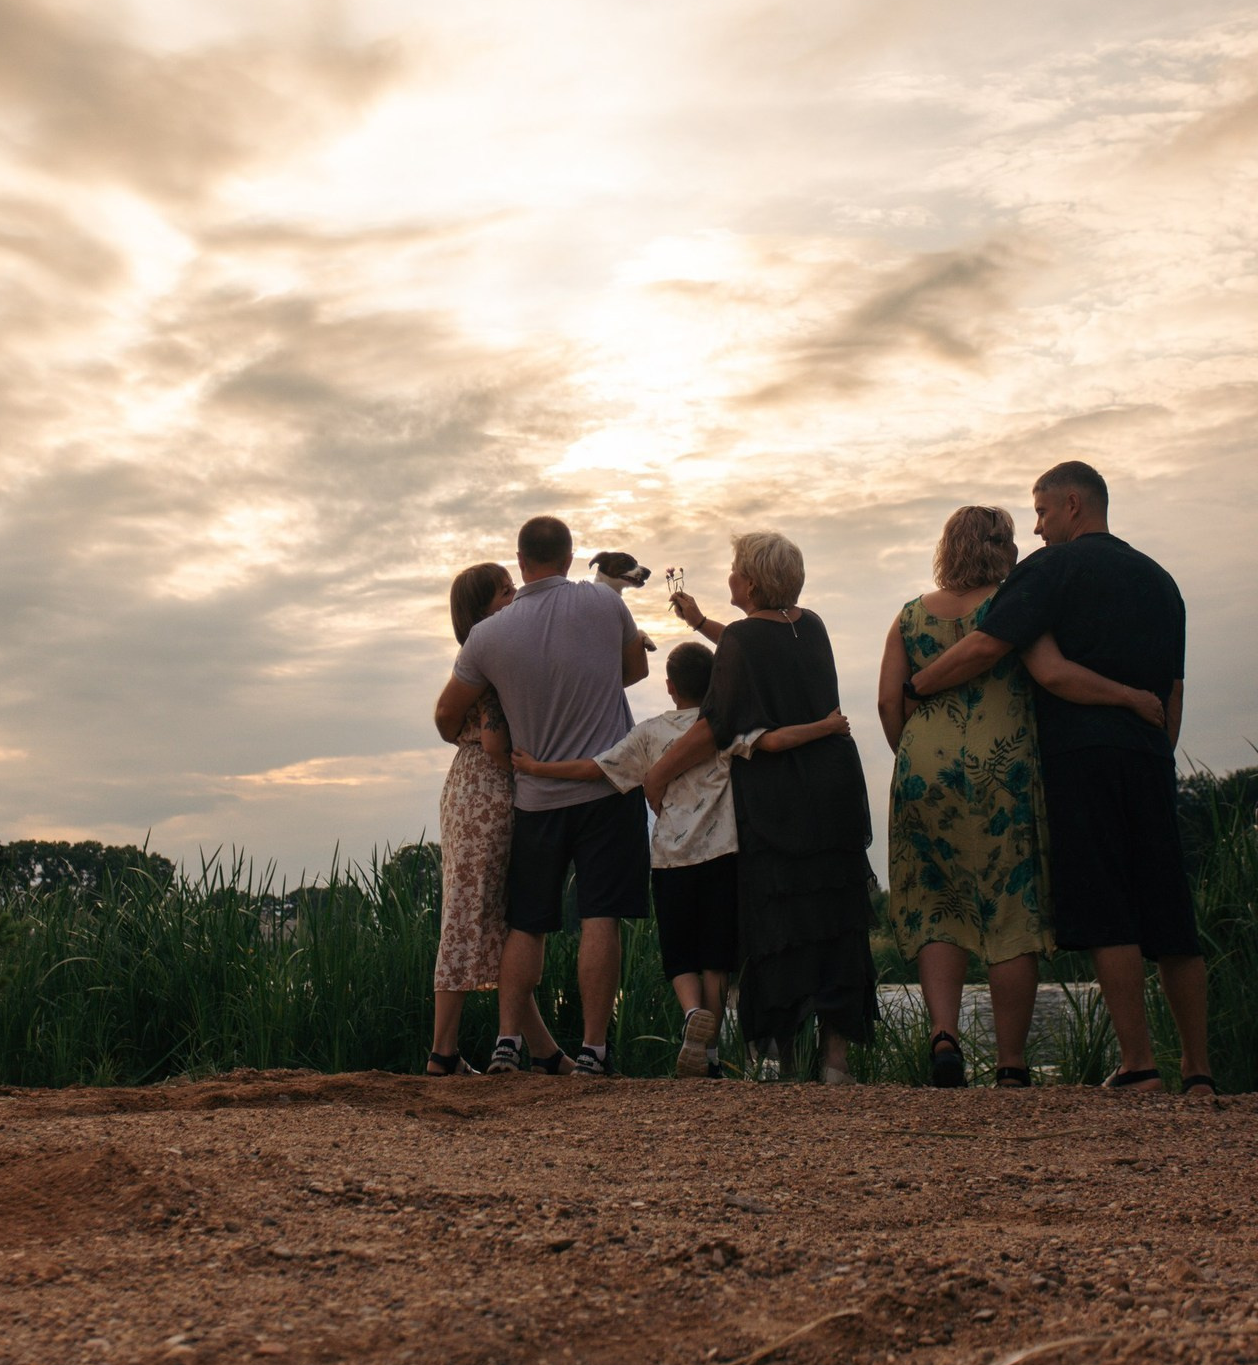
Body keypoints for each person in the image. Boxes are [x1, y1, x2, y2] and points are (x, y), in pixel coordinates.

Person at [907, 463, 1214, 1098]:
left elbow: (992, 648)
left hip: (1081, 756)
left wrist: (919, 684)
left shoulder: (1051, 570)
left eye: (1042, 513)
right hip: (1151, 757)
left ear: (1073, 505)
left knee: (1110, 912)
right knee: (1170, 912)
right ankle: (1200, 1071)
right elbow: (1174, 688)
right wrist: (1158, 747)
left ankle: (1139, 1065)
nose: (1038, 529)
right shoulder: (1162, 581)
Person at [510, 639, 851, 1078]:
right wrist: (825, 725)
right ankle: (708, 1057)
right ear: (713, 685)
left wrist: (538, 769)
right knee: (714, 957)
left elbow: (596, 768)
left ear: (670, 687)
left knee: (680, 956)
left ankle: (691, 1014)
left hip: (671, 860)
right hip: (722, 855)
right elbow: (774, 742)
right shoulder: (723, 726)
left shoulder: (650, 733)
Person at [433, 515, 650, 1077]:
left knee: (527, 922)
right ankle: (594, 1050)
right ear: (571, 556)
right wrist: (588, 681)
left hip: (532, 797)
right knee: (600, 915)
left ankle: (507, 1043)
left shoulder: (488, 637)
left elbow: (444, 714)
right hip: (604, 788)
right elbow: (636, 668)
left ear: (521, 561)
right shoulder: (606, 606)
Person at [662, 532, 877, 1084]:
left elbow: (718, 721)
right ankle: (834, 1062)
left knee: (779, 922)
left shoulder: (742, 641)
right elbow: (756, 650)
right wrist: (701, 623)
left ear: (751, 581)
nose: (730, 577)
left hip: (779, 797)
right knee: (833, 920)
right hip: (833, 788)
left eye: (734, 570)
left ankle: (787, 1062)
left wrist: (659, 769)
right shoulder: (814, 625)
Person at [426, 563, 557, 1077]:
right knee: (470, 917)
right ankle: (443, 1052)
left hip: (465, 789)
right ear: (482, 609)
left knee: (489, 921)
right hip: (489, 792)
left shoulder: (478, 656)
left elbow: (447, 723)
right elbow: (497, 739)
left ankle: (542, 1049)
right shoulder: (491, 661)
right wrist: (525, 769)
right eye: (505, 592)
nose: (516, 595)